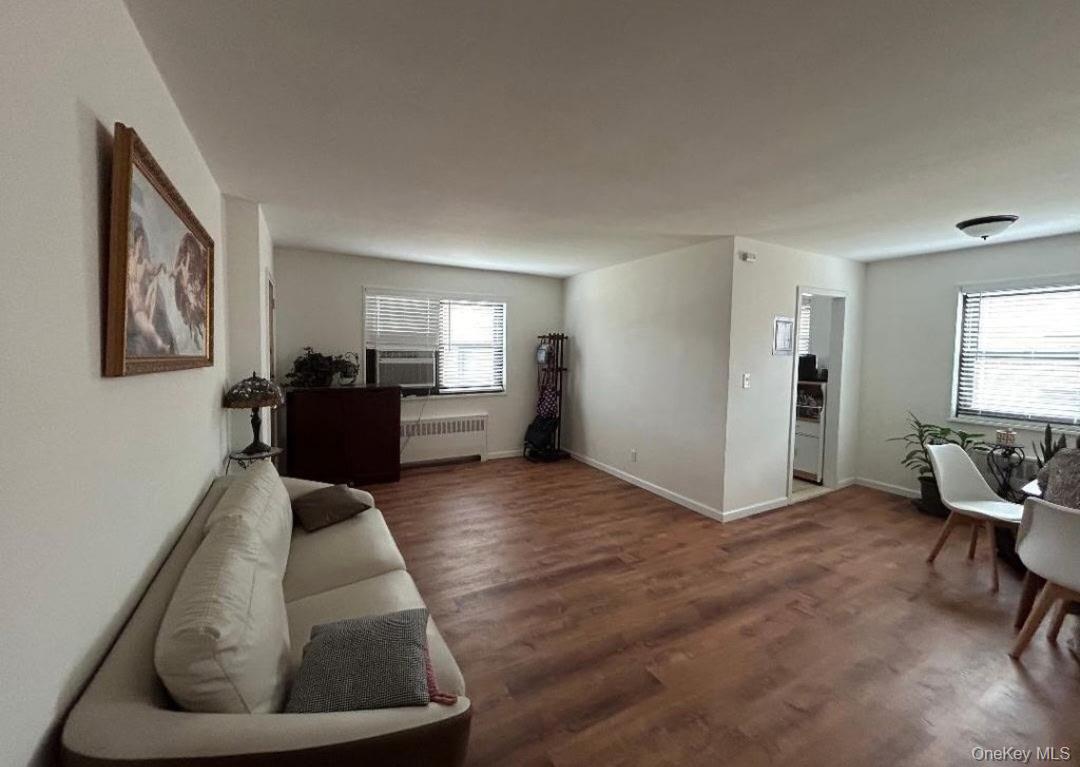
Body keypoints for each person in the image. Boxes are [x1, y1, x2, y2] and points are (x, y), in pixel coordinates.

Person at [125, 214, 175, 356]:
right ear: (136, 243)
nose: (141, 245)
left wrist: (166, 268)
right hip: (131, 299)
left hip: (139, 303)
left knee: (145, 324)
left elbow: (155, 268)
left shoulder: (145, 263)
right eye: (139, 242)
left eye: (143, 242)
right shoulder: (131, 260)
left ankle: (159, 345)